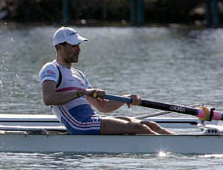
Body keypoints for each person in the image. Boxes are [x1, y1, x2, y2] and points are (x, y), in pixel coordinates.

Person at [40, 27, 173, 135]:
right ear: (59, 47)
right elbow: (49, 98)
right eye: (74, 45)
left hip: (92, 119)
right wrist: (82, 92)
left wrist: (125, 98)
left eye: (79, 45)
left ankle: (184, 143)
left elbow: (103, 107)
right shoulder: (51, 68)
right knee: (139, 128)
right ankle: (173, 149)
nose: (79, 49)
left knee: (149, 124)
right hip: (79, 124)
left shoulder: (79, 74)